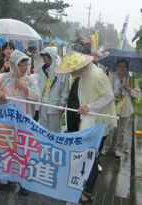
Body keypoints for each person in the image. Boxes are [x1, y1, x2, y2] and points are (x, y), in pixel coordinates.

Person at [56, 50, 117, 204]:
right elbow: (85, 98)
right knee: (88, 155)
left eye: (72, 70)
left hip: (100, 121)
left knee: (91, 156)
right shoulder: (82, 75)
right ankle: (83, 186)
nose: (71, 73)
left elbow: (109, 96)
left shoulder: (96, 75)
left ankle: (88, 192)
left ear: (79, 65)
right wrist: (84, 117)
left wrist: (90, 107)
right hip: (91, 120)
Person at [0, 49, 41, 195]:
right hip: (4, 123)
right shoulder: (2, 78)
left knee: (22, 152)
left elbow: (38, 97)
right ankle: (4, 179)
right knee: (4, 151)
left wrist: (25, 89)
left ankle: (24, 183)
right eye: (21, 64)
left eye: (26, 64)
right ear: (13, 64)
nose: (24, 67)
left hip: (24, 123)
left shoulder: (30, 81)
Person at [102, 59, 141, 157]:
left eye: (124, 66)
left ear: (127, 68)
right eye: (119, 66)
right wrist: (119, 87)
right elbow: (108, 94)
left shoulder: (132, 80)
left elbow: (138, 94)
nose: (121, 68)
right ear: (116, 67)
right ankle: (105, 148)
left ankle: (118, 149)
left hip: (126, 109)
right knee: (110, 129)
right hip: (112, 108)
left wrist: (129, 89)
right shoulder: (112, 78)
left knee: (122, 131)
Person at [35, 46, 69, 132]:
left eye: (45, 59)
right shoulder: (43, 70)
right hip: (42, 103)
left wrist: (62, 104)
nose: (43, 61)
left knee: (54, 130)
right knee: (43, 129)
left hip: (54, 104)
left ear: (51, 58)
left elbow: (65, 89)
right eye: (43, 58)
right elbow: (39, 85)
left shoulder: (62, 71)